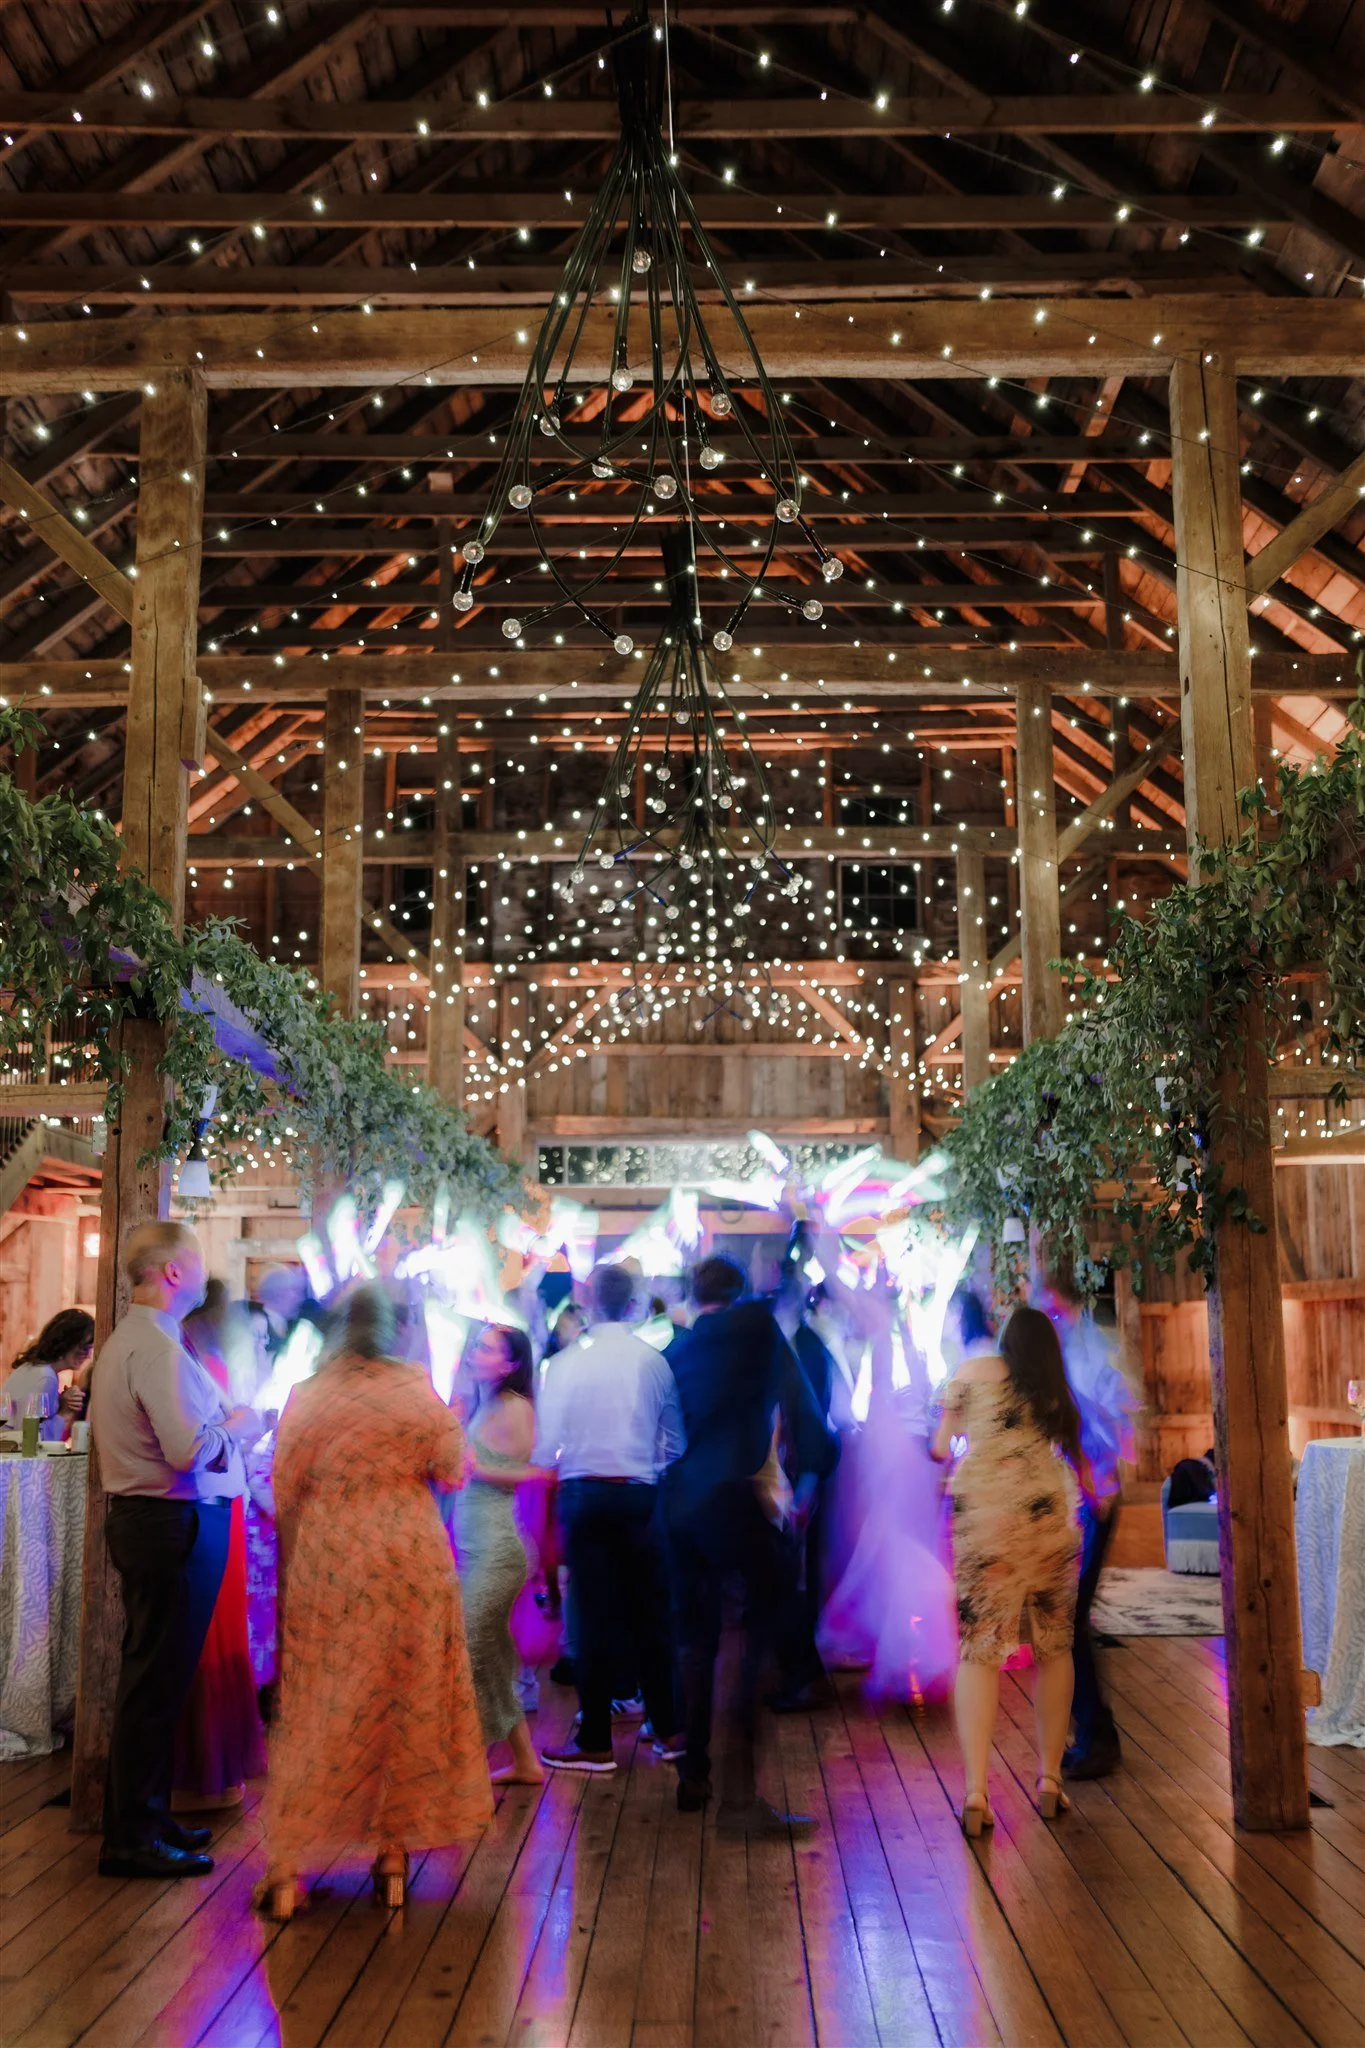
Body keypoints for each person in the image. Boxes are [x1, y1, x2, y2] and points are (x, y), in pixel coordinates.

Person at [257, 1283, 492, 1920]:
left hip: (333, 1559)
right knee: (404, 1700)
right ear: (392, 1331)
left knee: (321, 1701)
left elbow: (282, 1486)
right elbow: (453, 1467)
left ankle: (288, 1870)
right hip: (410, 1557)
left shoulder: (310, 1394)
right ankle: (391, 1859)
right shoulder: (414, 1387)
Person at [88, 1223, 262, 1880]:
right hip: (169, 1520)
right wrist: (240, 1427)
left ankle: (148, 1817)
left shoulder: (140, 1341)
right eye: (193, 1261)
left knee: (157, 1680)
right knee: (154, 1685)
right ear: (168, 1273)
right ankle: (130, 1838)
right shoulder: (155, 1350)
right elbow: (187, 1448)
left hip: (160, 1520)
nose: (200, 1272)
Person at [665, 1255, 835, 1837]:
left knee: (695, 1643)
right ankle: (739, 1804)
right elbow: (800, 1401)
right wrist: (813, 1469)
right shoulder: (755, 1326)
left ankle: (694, 1777)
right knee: (756, 1638)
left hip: (679, 1504)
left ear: (694, 1293)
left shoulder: (677, 1349)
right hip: (732, 1499)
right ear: (735, 1293)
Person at [931, 1297, 1088, 1837]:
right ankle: (1048, 1780)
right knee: (1055, 1645)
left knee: (979, 1651)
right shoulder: (1049, 1384)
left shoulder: (973, 1371)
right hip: (1050, 1516)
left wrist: (963, 1439)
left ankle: (976, 1792)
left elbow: (937, 1446)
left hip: (987, 1517)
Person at [534, 1263, 684, 1774]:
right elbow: (675, 1443)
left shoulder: (565, 1363)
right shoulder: (653, 1361)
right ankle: (669, 1731)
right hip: (641, 1495)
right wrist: (642, 1463)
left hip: (584, 1494)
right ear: (634, 1302)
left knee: (592, 1619)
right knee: (651, 1615)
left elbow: (544, 1447)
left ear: (588, 1299)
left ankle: (596, 1740)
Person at [1037, 1266, 1138, 1781]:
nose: (1048, 1318)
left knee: (1072, 1618)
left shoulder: (1094, 1347)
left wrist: (1100, 1481)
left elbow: (1119, 1417)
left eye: (1050, 1307)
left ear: (1065, 1303)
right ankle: (1092, 1733)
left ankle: (1099, 1739)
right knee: (1071, 1618)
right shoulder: (1069, 1347)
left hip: (1098, 1493)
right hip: (1082, 1492)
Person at [174, 1284, 267, 1809]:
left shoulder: (198, 1359)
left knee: (218, 1623)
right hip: (210, 1497)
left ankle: (210, 1767)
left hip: (220, 1499)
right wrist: (247, 1424)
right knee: (208, 1624)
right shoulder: (197, 1362)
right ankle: (201, 1770)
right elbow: (208, 1438)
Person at [449, 1323, 546, 1787]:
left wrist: (471, 1463)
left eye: (486, 1347)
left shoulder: (516, 1406)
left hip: (499, 1550)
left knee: (469, 1648)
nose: (475, 1350)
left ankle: (464, 1762)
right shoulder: (479, 1402)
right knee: (490, 1657)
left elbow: (528, 1472)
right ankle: (526, 1763)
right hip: (472, 1545)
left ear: (509, 1364)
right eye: (477, 1343)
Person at [3, 1308, 94, 1441]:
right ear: (67, 1344)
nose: (88, 1356)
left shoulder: (31, 1367)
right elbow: (32, 1438)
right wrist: (65, 1413)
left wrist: (61, 1401)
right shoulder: (45, 1377)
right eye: (84, 1348)